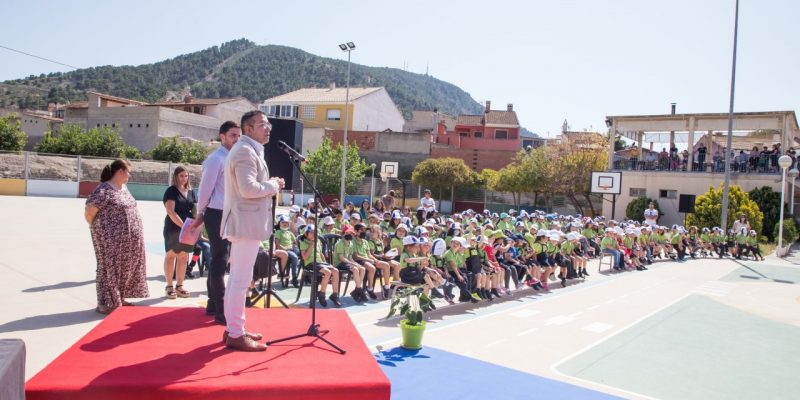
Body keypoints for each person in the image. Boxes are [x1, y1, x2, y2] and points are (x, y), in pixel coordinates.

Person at [221, 110, 285, 352]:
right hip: (245, 224)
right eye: (262, 124)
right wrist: (273, 185)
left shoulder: (250, 150)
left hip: (246, 223)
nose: (268, 128)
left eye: (268, 124)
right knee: (240, 280)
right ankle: (236, 334)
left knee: (239, 279)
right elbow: (248, 189)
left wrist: (270, 185)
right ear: (248, 129)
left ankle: (233, 328)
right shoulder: (245, 152)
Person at [190, 121, 240, 325]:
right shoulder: (215, 159)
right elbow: (205, 190)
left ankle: (213, 303)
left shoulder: (232, 157)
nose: (236, 139)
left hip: (229, 213)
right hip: (216, 213)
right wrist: (201, 213)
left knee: (220, 260)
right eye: (232, 136)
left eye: (238, 136)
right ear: (222, 136)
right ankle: (221, 309)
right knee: (220, 260)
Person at [85, 159, 148, 314]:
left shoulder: (124, 188)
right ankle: (104, 303)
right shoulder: (104, 190)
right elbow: (89, 211)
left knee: (125, 268)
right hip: (110, 240)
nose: (129, 175)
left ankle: (118, 298)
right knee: (108, 268)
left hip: (128, 242)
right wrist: (102, 231)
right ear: (119, 171)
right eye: (128, 171)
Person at [162, 166, 196, 300]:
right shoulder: (171, 191)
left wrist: (196, 227)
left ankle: (180, 286)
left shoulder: (192, 192)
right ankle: (169, 286)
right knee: (171, 255)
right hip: (174, 227)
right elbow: (170, 211)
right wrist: (184, 226)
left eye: (186, 176)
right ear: (176, 177)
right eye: (181, 176)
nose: (184, 178)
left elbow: (195, 210)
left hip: (188, 228)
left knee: (183, 256)